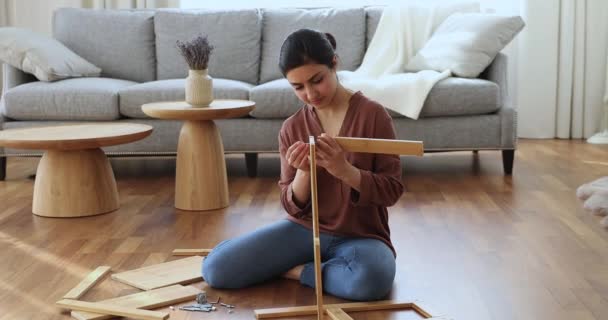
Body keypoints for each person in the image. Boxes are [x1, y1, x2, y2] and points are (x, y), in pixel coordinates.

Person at [202, 28, 404, 301]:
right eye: (298, 87)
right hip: (305, 230)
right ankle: (322, 271)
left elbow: (391, 190)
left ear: (334, 63)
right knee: (216, 269)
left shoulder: (373, 115)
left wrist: (344, 170)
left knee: (371, 280)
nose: (310, 94)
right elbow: (291, 204)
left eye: (316, 80)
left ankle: (300, 272)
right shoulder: (292, 128)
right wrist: (304, 173)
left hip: (362, 236)